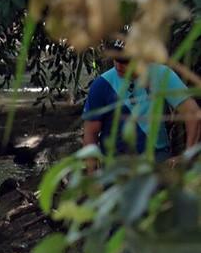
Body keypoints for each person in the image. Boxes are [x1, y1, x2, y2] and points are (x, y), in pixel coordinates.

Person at [82, 37, 200, 172]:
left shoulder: (161, 75)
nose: (119, 66)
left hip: (156, 157)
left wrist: (188, 156)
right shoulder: (102, 85)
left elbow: (193, 113)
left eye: (126, 61)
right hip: (116, 163)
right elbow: (90, 135)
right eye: (117, 59)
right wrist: (92, 180)